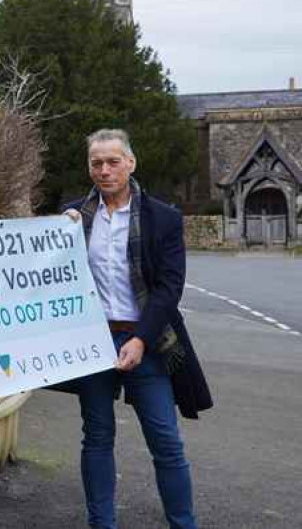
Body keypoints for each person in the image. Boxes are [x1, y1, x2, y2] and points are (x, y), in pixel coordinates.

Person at [63, 129, 212, 529]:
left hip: (146, 339)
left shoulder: (163, 217)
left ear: (130, 163)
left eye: (113, 161)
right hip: (93, 342)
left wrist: (141, 339)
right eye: (97, 163)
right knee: (96, 437)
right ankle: (102, 524)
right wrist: (60, 229)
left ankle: (183, 524)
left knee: (166, 442)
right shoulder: (73, 217)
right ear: (89, 168)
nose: (105, 170)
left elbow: (168, 288)